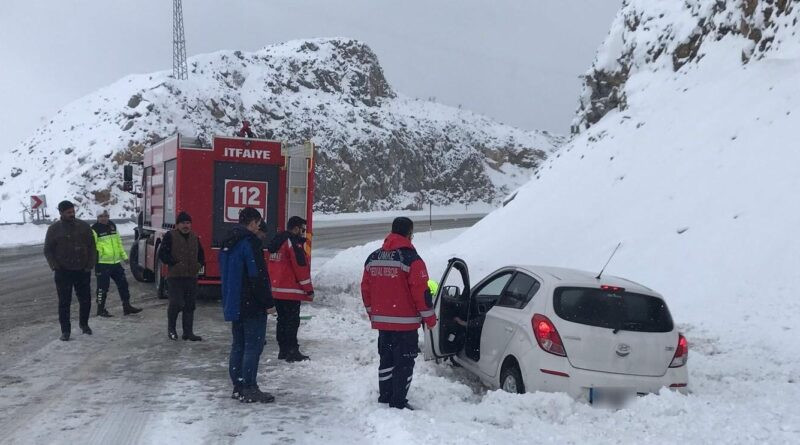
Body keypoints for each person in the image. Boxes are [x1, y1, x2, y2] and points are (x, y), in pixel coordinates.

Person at [360, 217, 437, 410]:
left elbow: (366, 290)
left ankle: (385, 395)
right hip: (406, 324)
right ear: (409, 233)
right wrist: (429, 318)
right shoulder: (412, 259)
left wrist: (372, 313)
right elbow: (421, 292)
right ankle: (398, 401)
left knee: (386, 360)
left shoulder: (373, 258)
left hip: (383, 324)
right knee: (404, 363)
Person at [220, 207, 277, 403]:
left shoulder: (228, 241)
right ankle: (250, 387)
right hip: (251, 303)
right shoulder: (250, 242)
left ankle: (238, 386)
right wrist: (268, 302)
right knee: (253, 346)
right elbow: (257, 275)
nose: (258, 227)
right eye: (258, 223)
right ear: (252, 222)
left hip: (234, 301)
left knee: (238, 345)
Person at [44, 200, 97, 341]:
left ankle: (84, 325)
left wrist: (89, 265)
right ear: (61, 213)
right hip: (63, 272)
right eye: (68, 212)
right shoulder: (54, 229)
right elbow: (48, 250)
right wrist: (55, 266)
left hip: (82, 270)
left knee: (85, 300)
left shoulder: (84, 226)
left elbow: (92, 247)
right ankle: (65, 331)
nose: (72, 214)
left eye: (73, 211)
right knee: (64, 303)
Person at [267, 216, 314, 362]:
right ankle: (292, 352)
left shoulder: (277, 242)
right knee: (292, 323)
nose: (303, 232)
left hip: (277, 290)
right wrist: (309, 289)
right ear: (295, 228)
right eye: (302, 229)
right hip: (291, 291)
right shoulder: (292, 243)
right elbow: (300, 268)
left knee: (282, 321)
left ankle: (283, 350)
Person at [158, 211, 205, 341]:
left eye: (188, 223)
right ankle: (171, 329)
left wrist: (198, 264)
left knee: (190, 305)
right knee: (176, 303)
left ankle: (188, 332)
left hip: (191, 277)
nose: (186, 226)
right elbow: (162, 254)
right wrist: (174, 263)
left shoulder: (195, 237)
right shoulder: (170, 236)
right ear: (177, 225)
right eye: (183, 223)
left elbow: (201, 254)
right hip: (175, 277)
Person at [91, 210, 142, 317]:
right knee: (102, 288)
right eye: (101, 216)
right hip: (102, 263)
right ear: (97, 217)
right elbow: (91, 247)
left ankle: (127, 307)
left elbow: (118, 242)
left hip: (115, 262)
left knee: (123, 284)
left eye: (106, 216)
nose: (104, 218)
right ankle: (100, 309)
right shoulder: (94, 229)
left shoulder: (112, 226)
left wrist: (124, 256)